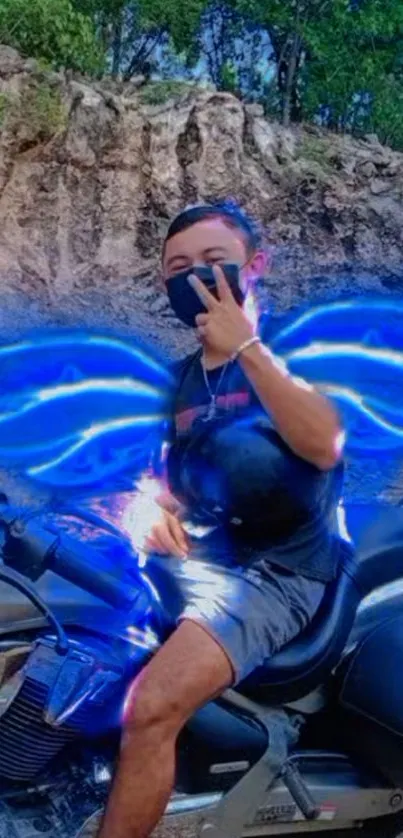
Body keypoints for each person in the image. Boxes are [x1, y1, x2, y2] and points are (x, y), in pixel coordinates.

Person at [96, 200, 345, 838]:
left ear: (254, 267)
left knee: (150, 708)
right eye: (178, 268)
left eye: (213, 261)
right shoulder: (175, 381)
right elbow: (152, 479)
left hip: (277, 572)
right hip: (199, 560)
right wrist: (144, 510)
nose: (195, 277)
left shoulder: (301, 350)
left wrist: (248, 347)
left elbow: (325, 444)